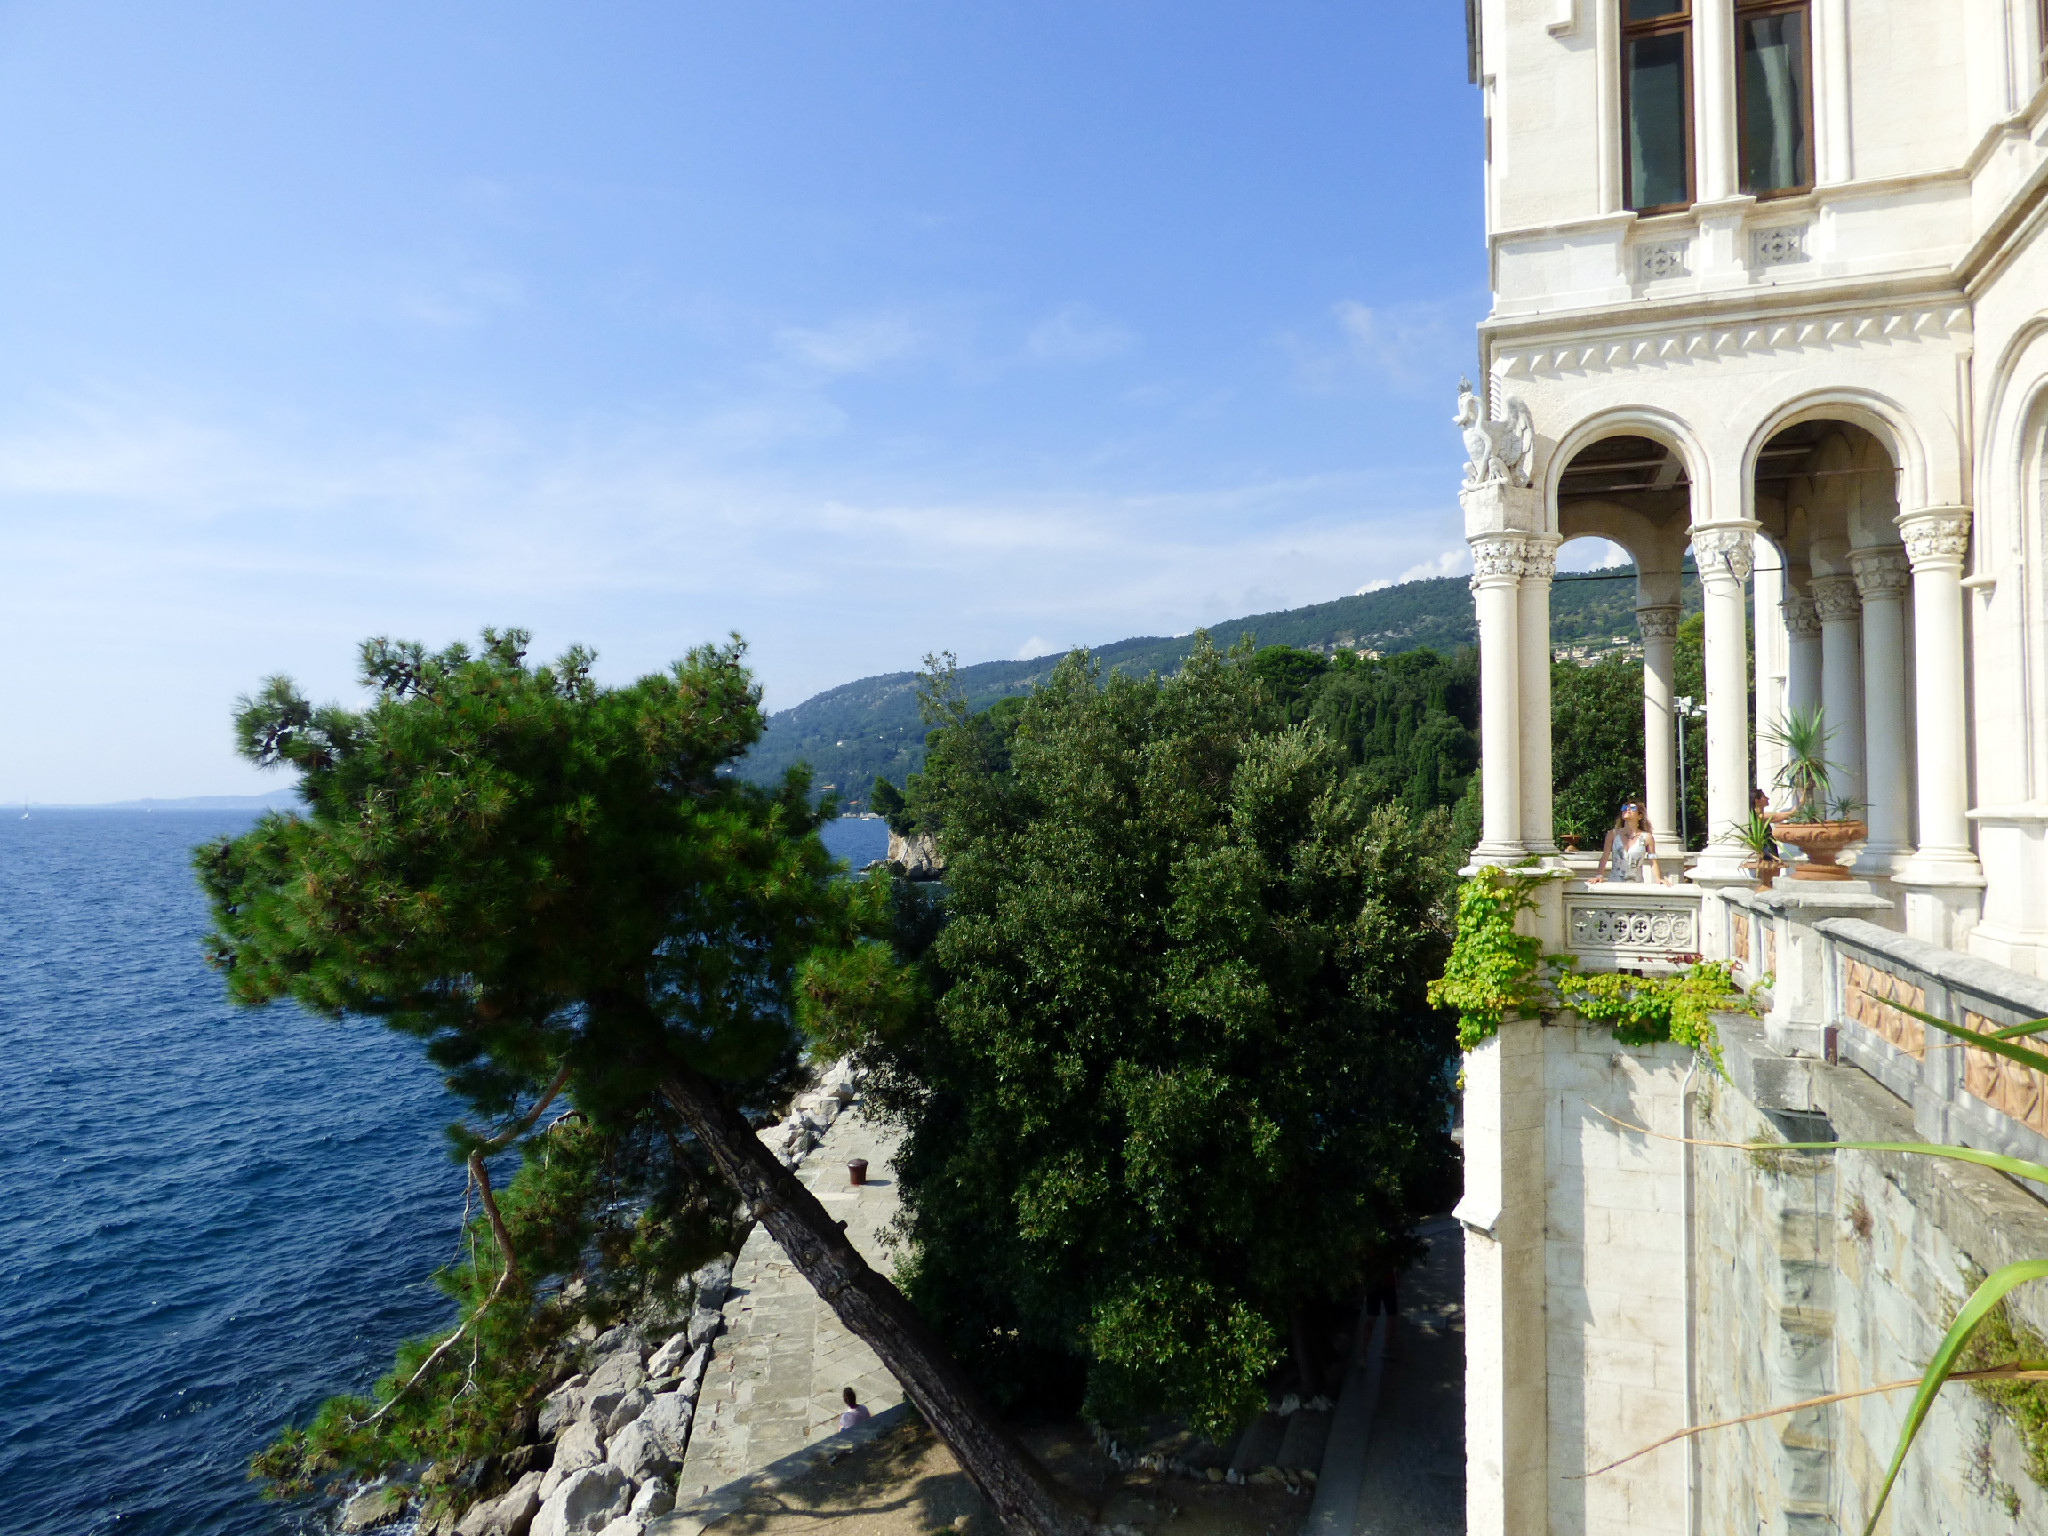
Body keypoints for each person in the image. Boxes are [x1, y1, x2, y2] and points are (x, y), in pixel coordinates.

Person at [1593, 801, 1662, 884]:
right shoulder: (1612, 834)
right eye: (1624, 808)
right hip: (1615, 883)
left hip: (1636, 884)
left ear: (1639, 816)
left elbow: (1653, 860)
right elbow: (1605, 856)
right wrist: (1599, 875)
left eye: (1632, 808)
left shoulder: (1647, 837)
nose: (1627, 809)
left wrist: (1658, 878)